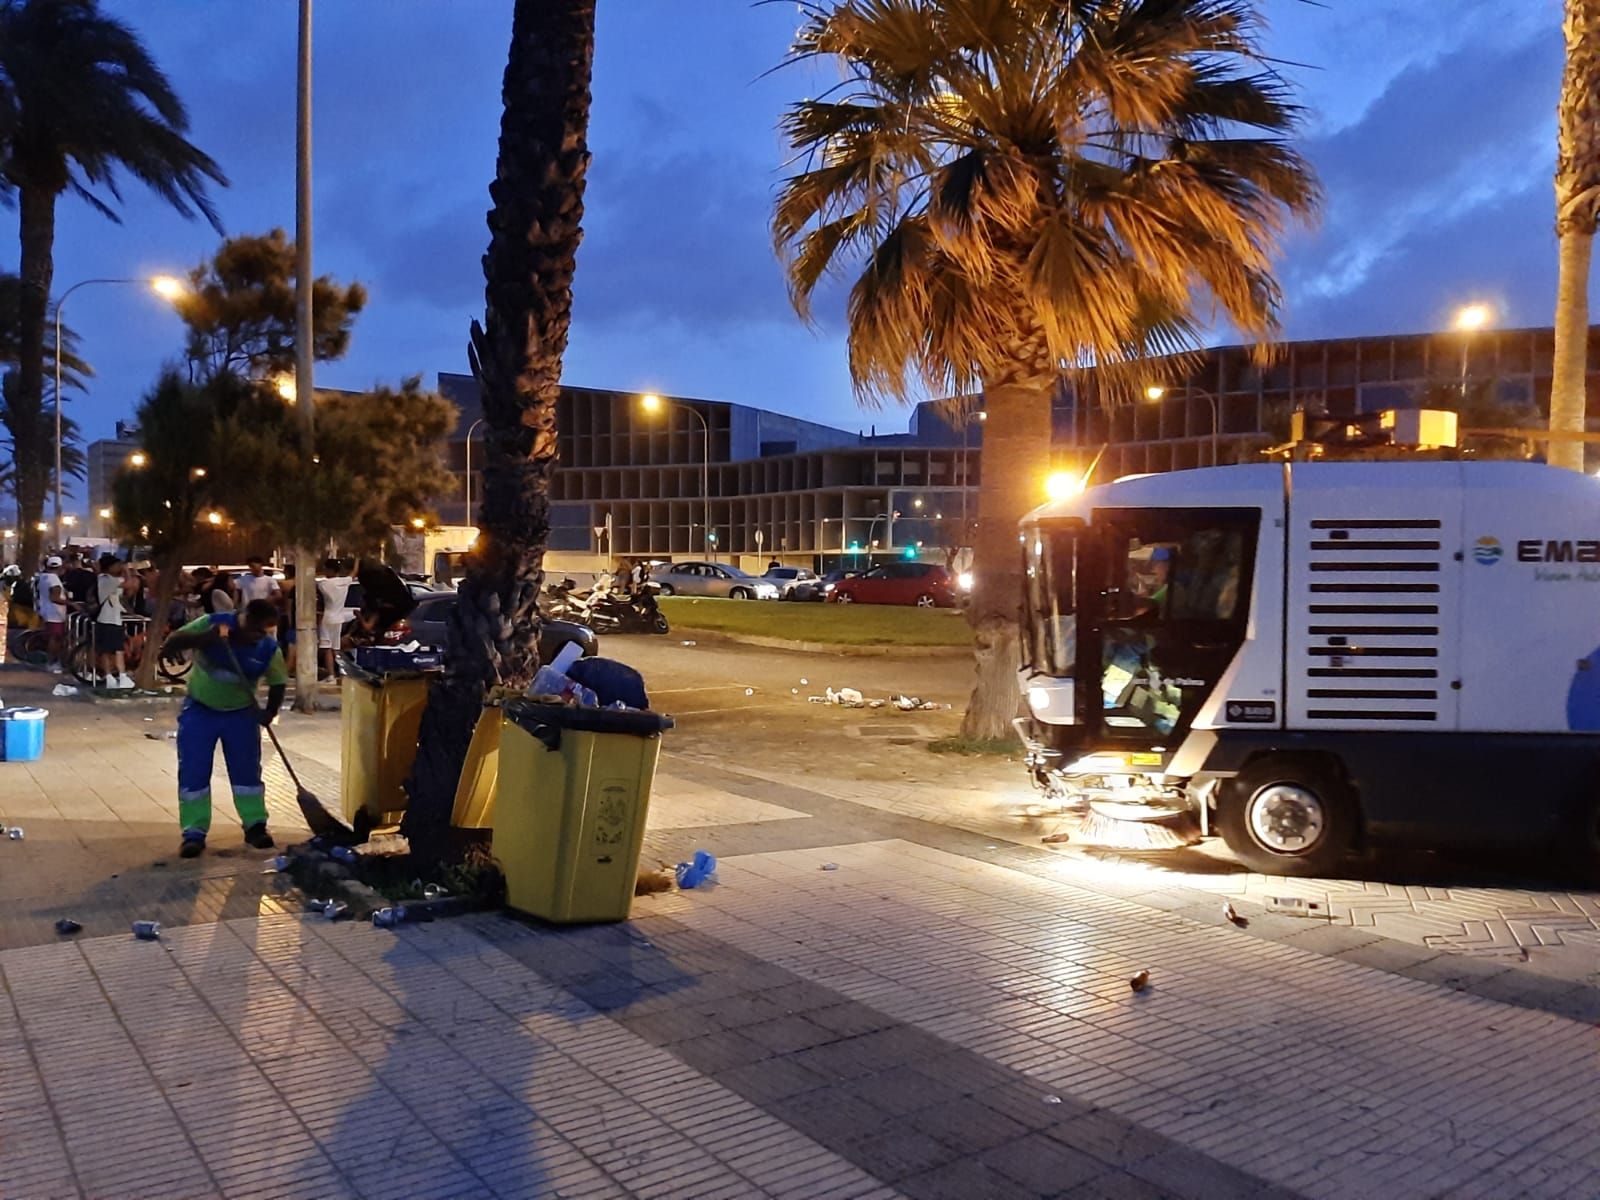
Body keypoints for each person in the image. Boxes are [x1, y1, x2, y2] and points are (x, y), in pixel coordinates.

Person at [160, 599, 286, 858]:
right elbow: (178, 639)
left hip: (241, 715)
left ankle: (255, 825)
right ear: (243, 618)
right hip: (200, 711)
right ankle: (194, 832)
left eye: (267, 631)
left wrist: (269, 712)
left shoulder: (268, 649)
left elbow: (278, 682)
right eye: (257, 630)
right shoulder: (214, 624)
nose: (260, 636)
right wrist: (207, 638)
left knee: (247, 774)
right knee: (194, 772)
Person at [94, 554, 134, 689]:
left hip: (104, 619)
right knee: (118, 650)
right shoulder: (109, 580)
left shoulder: (103, 579)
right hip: (111, 620)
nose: (119, 567)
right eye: (117, 565)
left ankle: (109, 677)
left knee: (105, 651)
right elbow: (129, 584)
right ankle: (122, 676)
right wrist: (127, 571)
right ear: (110, 567)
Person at [317, 557, 355, 678]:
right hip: (339, 618)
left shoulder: (323, 583)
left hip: (327, 618)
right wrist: (358, 560)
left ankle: (331, 675)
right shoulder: (345, 582)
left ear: (329, 570)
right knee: (336, 649)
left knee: (327, 648)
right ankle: (342, 673)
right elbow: (353, 574)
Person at [35, 555, 68, 672]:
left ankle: (51, 661)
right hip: (55, 613)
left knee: (52, 638)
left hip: (46, 611)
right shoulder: (54, 580)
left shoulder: (43, 577)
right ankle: (52, 662)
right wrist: (71, 603)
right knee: (56, 638)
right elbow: (55, 597)